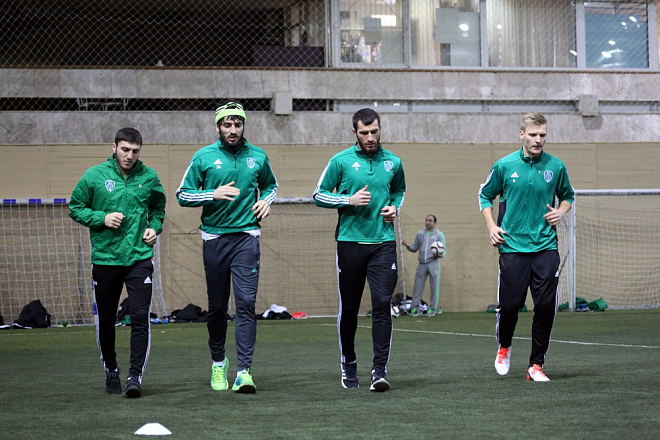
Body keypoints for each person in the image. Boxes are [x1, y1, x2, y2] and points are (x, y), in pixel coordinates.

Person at [176, 100, 278, 394]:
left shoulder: (258, 156)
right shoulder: (204, 157)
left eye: (238, 124)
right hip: (215, 239)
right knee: (218, 307)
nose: (233, 130)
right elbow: (183, 194)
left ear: (243, 126)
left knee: (245, 304)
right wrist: (212, 194)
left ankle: (244, 372)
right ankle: (218, 364)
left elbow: (271, 186)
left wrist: (265, 201)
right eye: (227, 124)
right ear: (218, 126)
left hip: (247, 237)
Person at [313, 108, 406, 392]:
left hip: (383, 244)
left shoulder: (393, 162)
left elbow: (399, 191)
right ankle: (349, 362)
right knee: (350, 308)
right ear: (354, 132)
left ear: (380, 129)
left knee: (382, 305)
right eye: (364, 133)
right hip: (350, 243)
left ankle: (379, 371)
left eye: (374, 131)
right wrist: (348, 200)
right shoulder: (340, 161)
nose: (370, 137)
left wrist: (395, 208)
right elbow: (318, 195)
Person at [69, 127, 166, 398]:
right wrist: (102, 218)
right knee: (107, 319)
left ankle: (135, 376)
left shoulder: (149, 177)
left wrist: (154, 228)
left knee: (140, 318)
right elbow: (75, 207)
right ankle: (111, 369)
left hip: (139, 258)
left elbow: (158, 208)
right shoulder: (94, 175)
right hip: (106, 259)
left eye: (135, 151)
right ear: (114, 148)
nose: (129, 156)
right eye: (125, 149)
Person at [478, 112, 574, 382]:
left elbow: (568, 195)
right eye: (533, 135)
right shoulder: (504, 165)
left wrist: (561, 211)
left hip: (545, 247)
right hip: (512, 247)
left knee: (546, 306)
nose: (538, 140)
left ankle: (536, 365)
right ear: (522, 135)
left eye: (542, 135)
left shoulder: (556, 166)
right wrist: (491, 226)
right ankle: (504, 347)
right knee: (510, 306)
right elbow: (484, 195)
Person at [402, 215, 446, 317]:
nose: (427, 222)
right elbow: (414, 248)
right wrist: (407, 245)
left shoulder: (439, 235)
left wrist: (440, 254)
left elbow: (443, 250)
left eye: (430, 220)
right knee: (417, 287)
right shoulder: (420, 234)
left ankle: (432, 308)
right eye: (426, 220)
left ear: (435, 223)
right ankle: (414, 308)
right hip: (422, 264)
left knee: (434, 287)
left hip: (433, 263)